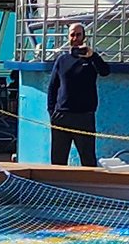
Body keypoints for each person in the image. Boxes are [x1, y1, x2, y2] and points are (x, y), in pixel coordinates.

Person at [46, 23, 110, 166]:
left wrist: (93, 56)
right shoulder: (62, 60)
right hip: (62, 116)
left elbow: (105, 71)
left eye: (78, 34)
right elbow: (52, 88)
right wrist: (52, 112)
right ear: (68, 37)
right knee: (58, 159)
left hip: (84, 117)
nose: (75, 38)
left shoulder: (92, 59)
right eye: (72, 35)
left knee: (88, 159)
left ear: (84, 36)